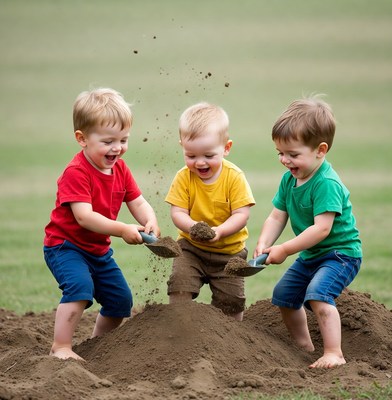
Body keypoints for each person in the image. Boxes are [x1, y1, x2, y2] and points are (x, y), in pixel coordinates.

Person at [43, 88, 160, 361]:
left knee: (120, 302)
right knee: (80, 289)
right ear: (82, 139)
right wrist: (123, 229)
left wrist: (149, 219)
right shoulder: (76, 173)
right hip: (66, 247)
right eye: (108, 141)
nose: (117, 148)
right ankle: (60, 346)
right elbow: (84, 216)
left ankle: (96, 348)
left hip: (98, 251)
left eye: (123, 139)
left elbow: (138, 201)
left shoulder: (120, 168)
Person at [254, 95, 362, 368]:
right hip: (312, 255)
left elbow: (322, 229)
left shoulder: (326, 183)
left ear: (320, 150)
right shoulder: (289, 179)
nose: (284, 160)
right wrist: (265, 242)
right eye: (280, 153)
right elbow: (277, 215)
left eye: (292, 154)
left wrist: (285, 249)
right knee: (284, 296)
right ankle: (304, 347)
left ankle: (334, 352)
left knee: (318, 294)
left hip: (340, 255)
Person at [165, 102, 255, 321]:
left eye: (208, 155)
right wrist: (194, 228)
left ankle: (230, 340)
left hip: (229, 252)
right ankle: (180, 327)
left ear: (226, 148)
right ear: (182, 146)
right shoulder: (183, 177)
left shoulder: (234, 177)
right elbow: (178, 213)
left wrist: (220, 232)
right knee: (179, 284)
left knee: (232, 303)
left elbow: (241, 215)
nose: (200, 162)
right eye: (191, 156)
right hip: (191, 248)